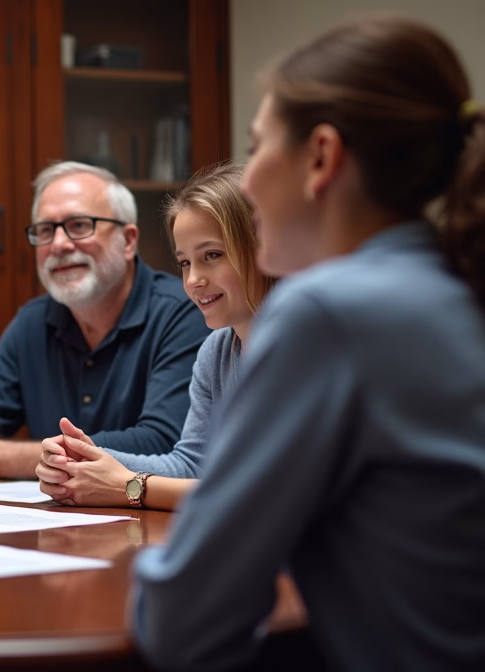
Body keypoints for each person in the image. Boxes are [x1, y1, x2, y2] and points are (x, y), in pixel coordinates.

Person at [131, 17, 485, 670]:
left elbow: (186, 618)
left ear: (321, 157)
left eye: (258, 146)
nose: (251, 180)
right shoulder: (452, 283)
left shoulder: (327, 311)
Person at [0, 163, 211, 479]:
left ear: (128, 240)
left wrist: (8, 457)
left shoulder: (183, 312)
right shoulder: (33, 321)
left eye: (79, 225)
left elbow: (165, 444)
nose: (60, 245)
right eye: (46, 230)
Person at [37, 162, 273, 510]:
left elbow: (265, 494)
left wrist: (131, 486)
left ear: (263, 250)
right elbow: (192, 466)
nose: (193, 280)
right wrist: (86, 458)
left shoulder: (304, 346)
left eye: (212, 255)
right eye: (185, 263)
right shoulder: (217, 351)